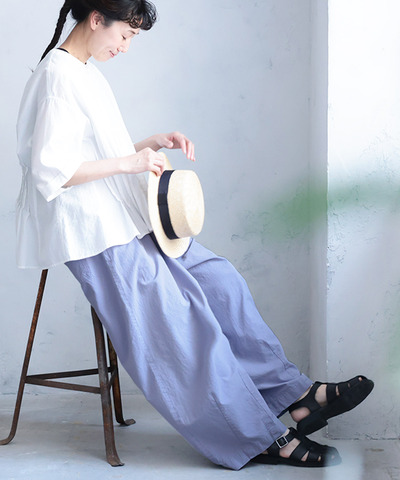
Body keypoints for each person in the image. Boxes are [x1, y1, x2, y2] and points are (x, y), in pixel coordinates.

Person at [15, 0, 374, 470]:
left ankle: (296, 395)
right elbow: (51, 170)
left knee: (220, 281)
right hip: (91, 231)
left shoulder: (85, 72)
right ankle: (256, 436)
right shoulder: (57, 75)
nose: (126, 47)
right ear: (97, 19)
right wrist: (131, 162)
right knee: (181, 320)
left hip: (126, 214)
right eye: (125, 35)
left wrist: (148, 144)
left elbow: (95, 153)